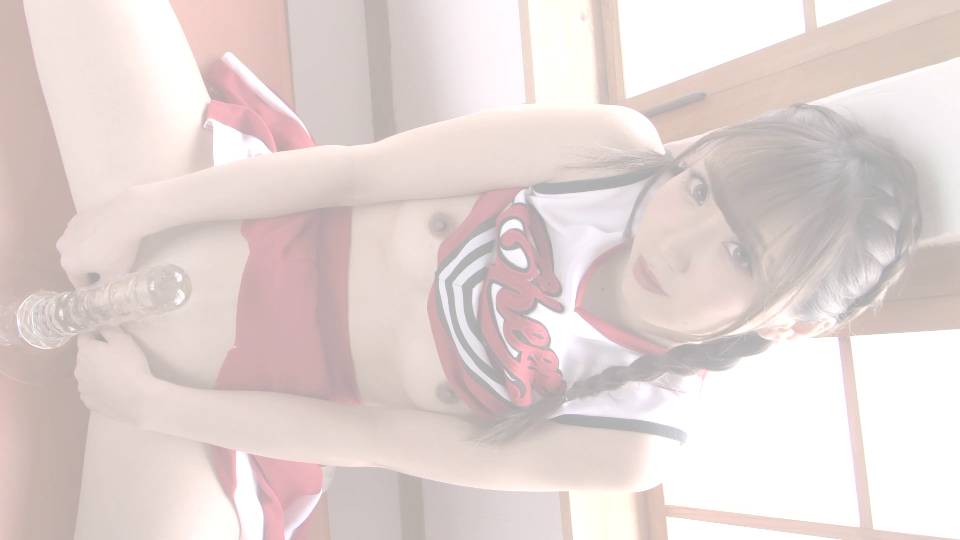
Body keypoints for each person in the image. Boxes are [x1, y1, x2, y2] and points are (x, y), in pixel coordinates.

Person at [23, 1, 922, 539]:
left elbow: (373, 438)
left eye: (739, 253)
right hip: (218, 211)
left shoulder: (634, 443)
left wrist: (150, 403)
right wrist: (140, 210)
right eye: (698, 187)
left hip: (213, 420)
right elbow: (354, 173)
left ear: (791, 323)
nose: (679, 239)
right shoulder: (607, 149)